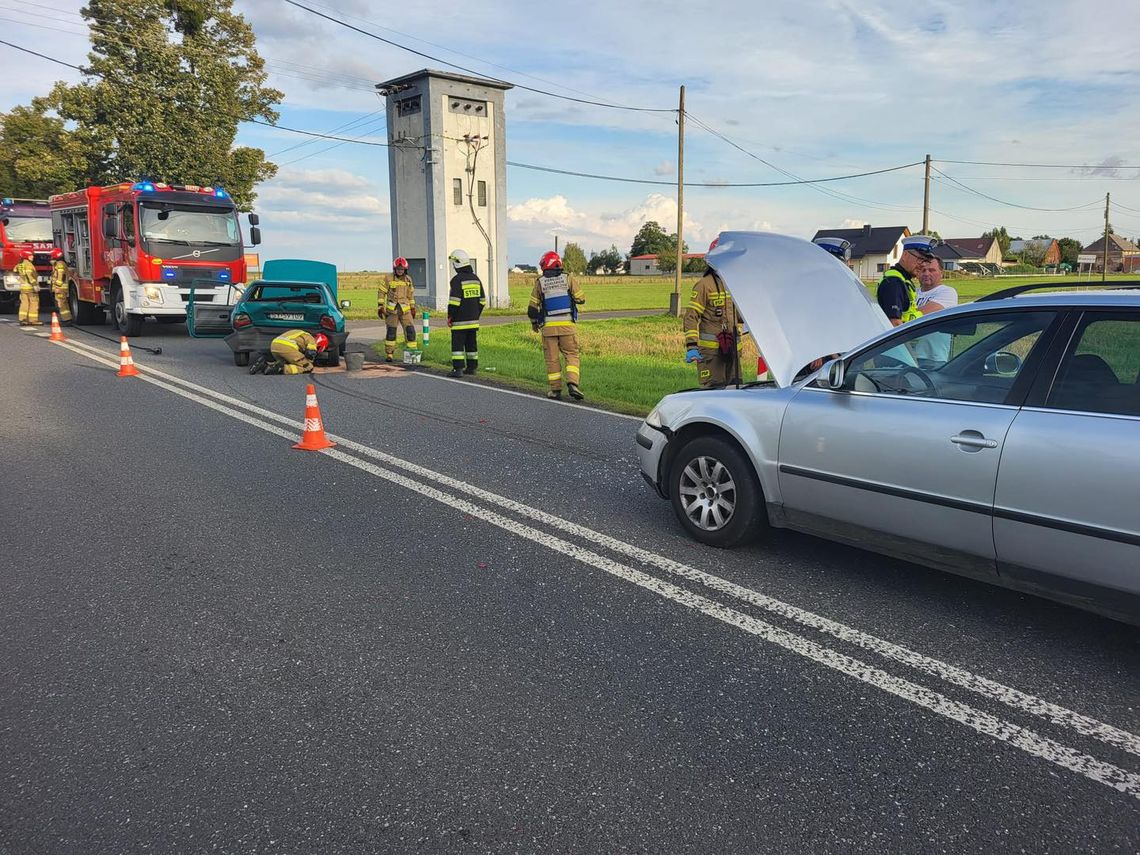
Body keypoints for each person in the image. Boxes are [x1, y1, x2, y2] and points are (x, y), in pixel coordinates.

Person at [683, 238, 742, 387]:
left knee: (736, 390)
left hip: (733, 351)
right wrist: (692, 346)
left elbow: (741, 316)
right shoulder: (704, 285)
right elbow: (691, 316)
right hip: (712, 353)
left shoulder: (735, 284)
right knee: (714, 391)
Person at [528, 250, 586, 400]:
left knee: (552, 359)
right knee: (571, 355)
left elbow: (532, 309)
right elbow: (581, 299)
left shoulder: (540, 282)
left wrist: (534, 323)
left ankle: (555, 390)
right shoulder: (568, 279)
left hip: (548, 329)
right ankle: (573, 384)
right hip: (567, 327)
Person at [876, 235, 938, 326]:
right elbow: (895, 323)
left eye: (926, 261)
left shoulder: (903, 279)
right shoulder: (894, 282)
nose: (923, 265)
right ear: (905, 255)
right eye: (920, 259)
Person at [910, 255, 959, 366]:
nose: (927, 273)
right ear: (917, 273)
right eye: (923, 270)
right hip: (908, 355)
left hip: (932, 357)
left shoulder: (947, 292)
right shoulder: (911, 292)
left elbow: (921, 315)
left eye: (932, 270)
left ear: (941, 272)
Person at [446, 249, 485, 377]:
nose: (453, 266)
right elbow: (482, 301)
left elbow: (454, 302)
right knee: (471, 345)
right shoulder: (476, 279)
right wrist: (475, 314)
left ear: (458, 263)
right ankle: (472, 368)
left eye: (453, 263)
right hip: (473, 321)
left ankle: (458, 369)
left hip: (460, 321)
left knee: (457, 346)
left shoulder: (457, 280)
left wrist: (450, 317)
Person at [379, 256, 417, 362]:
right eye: (398, 269)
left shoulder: (408, 280)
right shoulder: (388, 278)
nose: (400, 271)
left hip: (405, 310)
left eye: (402, 269)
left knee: (410, 331)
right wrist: (380, 306)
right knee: (391, 332)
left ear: (405, 270)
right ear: (394, 269)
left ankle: (412, 354)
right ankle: (389, 354)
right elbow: (381, 292)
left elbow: (410, 295)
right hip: (392, 311)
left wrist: (413, 308)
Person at [250, 329, 329, 375]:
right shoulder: (311, 339)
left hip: (274, 345)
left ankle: (265, 363)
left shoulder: (300, 333)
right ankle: (281, 369)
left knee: (286, 361)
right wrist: (311, 359)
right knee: (308, 367)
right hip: (287, 347)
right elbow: (310, 353)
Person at [15, 249, 41, 327]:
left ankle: (22, 319)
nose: (32, 257)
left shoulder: (20, 264)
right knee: (34, 304)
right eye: (31, 255)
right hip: (30, 288)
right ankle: (33, 320)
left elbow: (15, 270)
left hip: (23, 288)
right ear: (26, 256)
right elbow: (30, 276)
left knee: (24, 304)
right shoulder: (29, 265)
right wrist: (35, 285)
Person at [49, 248, 72, 324]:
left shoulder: (59, 264)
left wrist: (57, 287)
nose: (51, 258)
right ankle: (66, 319)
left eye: (51, 256)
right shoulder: (60, 263)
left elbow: (60, 276)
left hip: (60, 288)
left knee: (62, 304)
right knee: (63, 304)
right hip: (61, 288)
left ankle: (66, 320)